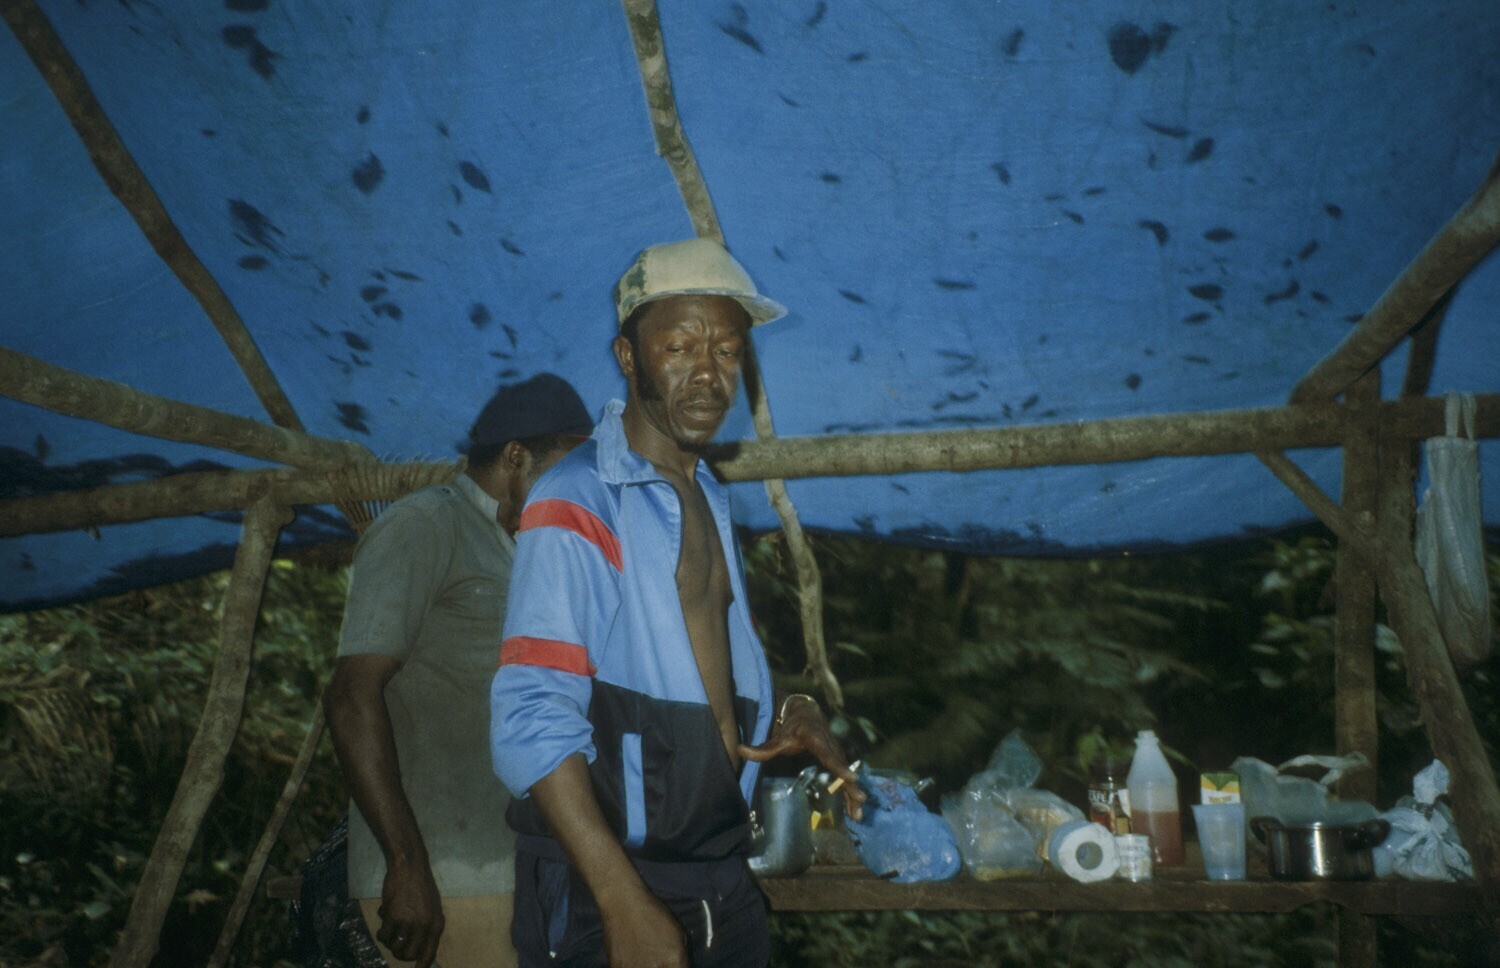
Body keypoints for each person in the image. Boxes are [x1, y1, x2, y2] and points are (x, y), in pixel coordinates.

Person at [491, 239, 866, 967]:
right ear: (628, 357)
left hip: (714, 869)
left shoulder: (706, 496)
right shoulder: (580, 499)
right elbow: (530, 713)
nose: (706, 373)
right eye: (679, 347)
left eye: (726, 350)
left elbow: (690, 679)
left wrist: (788, 712)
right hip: (611, 882)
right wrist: (621, 901)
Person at [325, 373, 594, 968]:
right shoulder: (423, 525)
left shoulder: (529, 548)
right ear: (516, 457)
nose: (578, 489)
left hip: (517, 871)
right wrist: (406, 864)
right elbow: (350, 696)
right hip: (445, 880)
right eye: (566, 469)